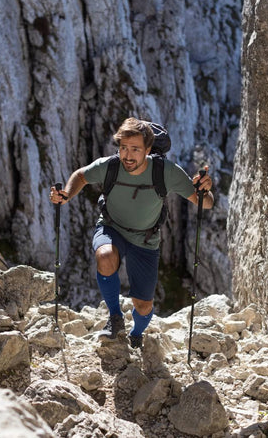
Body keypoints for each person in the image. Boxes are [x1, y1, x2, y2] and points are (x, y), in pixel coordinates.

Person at [49, 117, 214, 348]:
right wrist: (66, 194)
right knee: (105, 256)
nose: (127, 155)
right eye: (123, 148)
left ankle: (137, 332)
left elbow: (205, 203)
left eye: (135, 149)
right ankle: (115, 318)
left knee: (143, 305)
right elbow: (81, 175)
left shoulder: (165, 172)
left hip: (146, 239)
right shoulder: (111, 166)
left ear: (148, 150)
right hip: (111, 226)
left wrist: (204, 190)